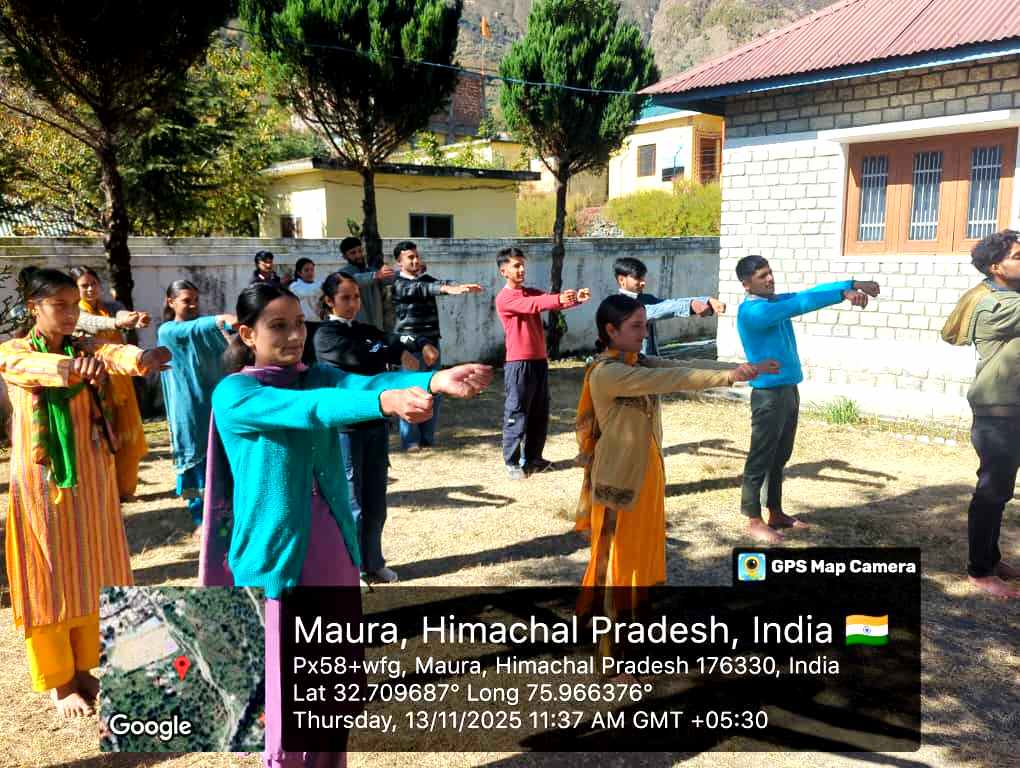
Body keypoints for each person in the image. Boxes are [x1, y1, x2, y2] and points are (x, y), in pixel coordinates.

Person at [200, 282, 492, 768]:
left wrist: (435, 380)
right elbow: (311, 409)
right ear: (248, 335)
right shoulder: (235, 393)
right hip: (276, 561)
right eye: (279, 326)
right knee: (290, 700)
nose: (295, 336)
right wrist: (387, 404)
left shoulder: (316, 375)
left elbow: (363, 385)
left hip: (333, 550)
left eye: (299, 324)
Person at [0, 267, 170, 717]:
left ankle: (83, 667)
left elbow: (114, 353)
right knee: (49, 573)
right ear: (34, 308)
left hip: (93, 477)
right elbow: (30, 369)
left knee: (92, 566)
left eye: (74, 306)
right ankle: (59, 682)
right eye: (59, 306)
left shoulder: (86, 347)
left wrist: (144, 357)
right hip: (44, 482)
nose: (70, 314)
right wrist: (72, 368)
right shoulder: (14, 352)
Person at [576, 295, 774, 602]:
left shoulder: (637, 362)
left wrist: (742, 368)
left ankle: (631, 612)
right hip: (619, 478)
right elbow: (674, 378)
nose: (644, 333)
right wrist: (729, 376)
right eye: (636, 326)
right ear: (611, 330)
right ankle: (608, 623)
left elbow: (686, 365)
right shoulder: (608, 372)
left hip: (647, 473)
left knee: (639, 549)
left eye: (645, 325)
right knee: (615, 555)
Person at [735, 255, 880, 543]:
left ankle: (775, 512)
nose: (770, 279)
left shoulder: (772, 302)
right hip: (768, 395)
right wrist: (843, 293)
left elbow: (808, 293)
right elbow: (801, 303)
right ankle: (753, 519)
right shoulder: (754, 312)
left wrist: (852, 283)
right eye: (762, 276)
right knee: (760, 458)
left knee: (780, 456)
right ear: (746, 284)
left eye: (770, 272)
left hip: (788, 389)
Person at [314, 271, 435, 585]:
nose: (353, 303)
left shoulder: (365, 330)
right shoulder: (325, 335)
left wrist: (420, 343)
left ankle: (373, 562)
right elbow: (359, 356)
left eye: (356, 297)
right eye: (345, 298)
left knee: (376, 501)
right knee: (351, 503)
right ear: (329, 301)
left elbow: (393, 339)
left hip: (375, 425)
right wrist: (393, 351)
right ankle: (349, 568)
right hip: (345, 429)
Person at [945, 230, 1020, 599]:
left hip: (1011, 409)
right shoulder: (997, 305)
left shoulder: (1006, 294)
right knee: (992, 491)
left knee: (1000, 490)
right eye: (1018, 257)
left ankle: (991, 558)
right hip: (999, 413)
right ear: (996, 268)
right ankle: (979, 570)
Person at [495, 246, 590, 480]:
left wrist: (575, 299)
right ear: (503, 271)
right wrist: (557, 298)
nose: (521, 269)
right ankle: (512, 462)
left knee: (539, 411)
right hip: (518, 363)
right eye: (516, 265)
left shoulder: (530, 293)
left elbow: (548, 302)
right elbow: (536, 304)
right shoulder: (505, 298)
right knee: (517, 411)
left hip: (539, 361)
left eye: (522, 265)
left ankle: (534, 458)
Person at [157, 280, 236, 533]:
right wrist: (220, 320)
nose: (192, 305)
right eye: (186, 300)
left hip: (214, 404)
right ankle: (201, 519)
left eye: (195, 300)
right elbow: (194, 328)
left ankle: (225, 514)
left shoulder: (203, 328)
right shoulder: (167, 331)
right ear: (170, 302)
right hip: (187, 410)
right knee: (196, 458)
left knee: (221, 457)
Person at [392, 241, 483, 450]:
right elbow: (422, 289)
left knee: (434, 391)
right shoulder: (398, 284)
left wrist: (458, 286)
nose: (415, 260)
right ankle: (411, 441)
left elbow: (440, 283)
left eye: (417, 256)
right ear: (399, 262)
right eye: (410, 257)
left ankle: (427, 439)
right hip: (410, 346)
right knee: (411, 391)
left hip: (432, 344)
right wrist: (446, 288)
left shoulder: (425, 279)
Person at [70, 266, 151, 500]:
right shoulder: (73, 312)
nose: (90, 289)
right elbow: (91, 322)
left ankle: (125, 489)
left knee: (126, 431)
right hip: (95, 382)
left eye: (93, 284)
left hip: (120, 379)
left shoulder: (111, 307)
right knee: (104, 435)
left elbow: (122, 314)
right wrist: (118, 322)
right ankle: (105, 490)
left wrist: (134, 319)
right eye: (84, 286)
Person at [614, 256, 725, 356]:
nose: (643, 283)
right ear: (621, 280)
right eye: (638, 278)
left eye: (643, 278)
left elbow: (668, 303)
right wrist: (691, 305)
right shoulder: (620, 305)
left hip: (649, 361)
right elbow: (658, 310)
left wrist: (707, 300)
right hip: (629, 366)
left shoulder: (645, 298)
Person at [339, 236, 395, 330]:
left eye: (360, 251)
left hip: (377, 327)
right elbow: (354, 280)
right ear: (345, 257)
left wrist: (404, 270)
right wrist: (375, 275)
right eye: (353, 253)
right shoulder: (342, 274)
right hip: (356, 329)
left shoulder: (372, 271)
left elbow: (390, 279)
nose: (358, 255)